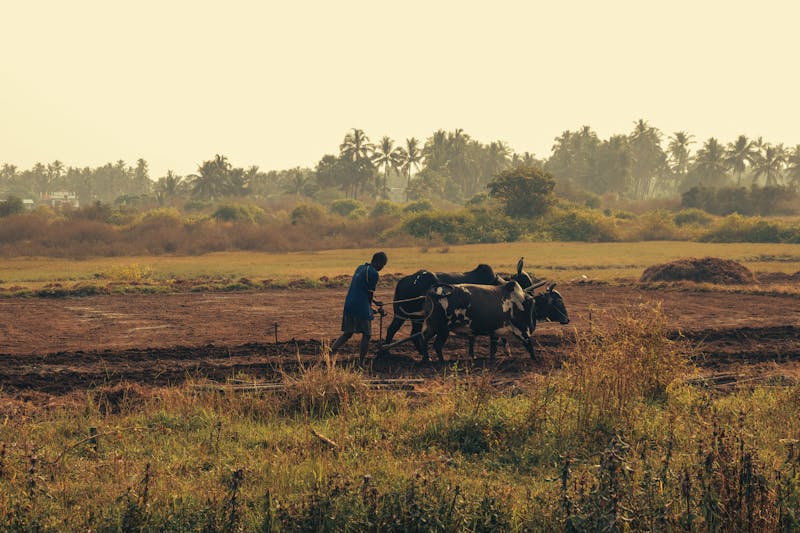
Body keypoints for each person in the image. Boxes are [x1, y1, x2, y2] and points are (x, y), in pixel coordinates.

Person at [330, 251, 388, 363]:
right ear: (378, 263)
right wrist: (373, 309)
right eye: (383, 265)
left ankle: (330, 352)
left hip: (349, 304)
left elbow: (362, 289)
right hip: (361, 306)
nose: (382, 268)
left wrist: (375, 302)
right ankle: (361, 363)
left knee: (348, 333)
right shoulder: (374, 273)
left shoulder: (361, 268)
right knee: (367, 335)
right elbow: (369, 294)